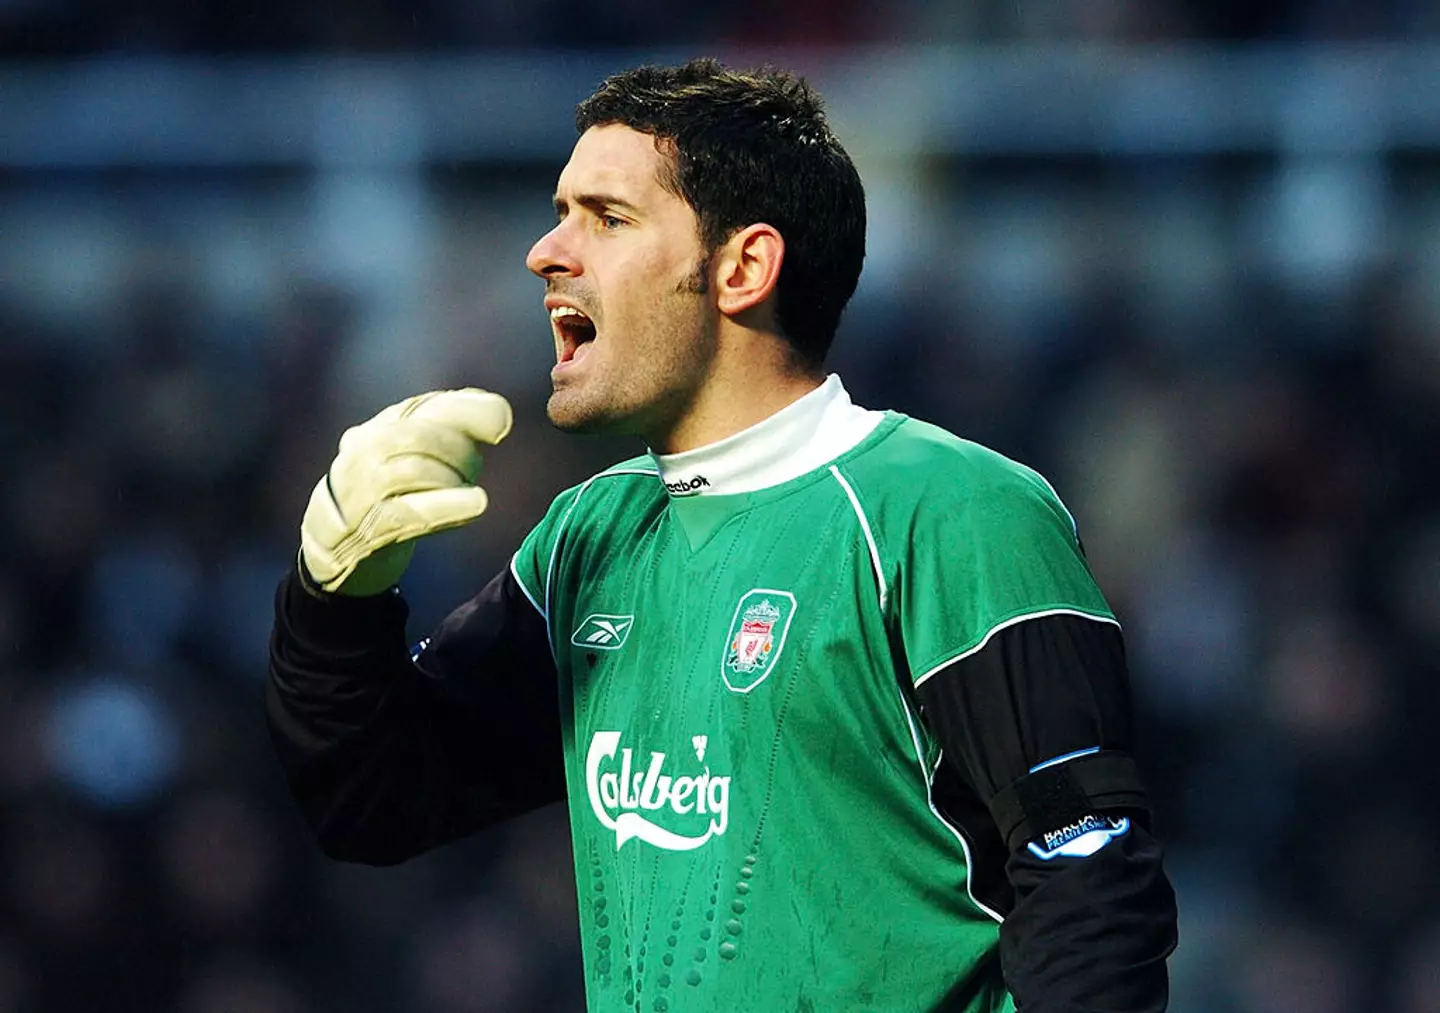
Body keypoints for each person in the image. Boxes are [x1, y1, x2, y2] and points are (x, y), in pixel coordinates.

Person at [267, 58, 1178, 1013]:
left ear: (741, 268)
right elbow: (374, 796)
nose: (546, 250)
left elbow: (1090, 883)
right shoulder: (593, 536)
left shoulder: (950, 511)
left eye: (606, 218)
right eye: (560, 210)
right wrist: (335, 599)